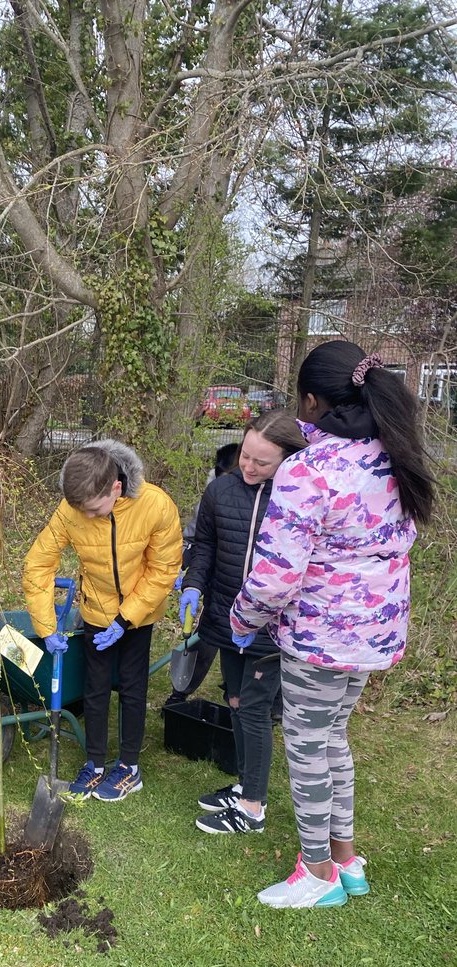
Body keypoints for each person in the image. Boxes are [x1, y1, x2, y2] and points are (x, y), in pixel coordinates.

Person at [231, 342, 434, 908]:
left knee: (306, 746)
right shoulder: (396, 455)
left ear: (313, 402)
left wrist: (241, 618)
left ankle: (316, 872)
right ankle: (346, 861)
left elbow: (274, 576)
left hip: (322, 639)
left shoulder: (310, 471)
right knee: (333, 739)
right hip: (373, 634)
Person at [23, 440, 181, 802]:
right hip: (95, 610)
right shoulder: (71, 509)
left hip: (138, 616)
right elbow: (38, 565)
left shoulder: (155, 505)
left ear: (116, 488)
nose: (89, 518)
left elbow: (163, 569)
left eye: (95, 510)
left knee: (131, 686)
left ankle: (129, 767)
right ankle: (94, 763)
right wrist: (47, 629)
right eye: (83, 512)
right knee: (94, 688)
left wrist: (127, 619)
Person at [179, 413, 307, 835]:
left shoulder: (298, 498)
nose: (249, 467)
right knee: (234, 702)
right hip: (223, 617)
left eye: (262, 462)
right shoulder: (220, 490)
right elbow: (205, 546)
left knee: (253, 709)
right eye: (245, 456)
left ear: (288, 461)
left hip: (270, 625)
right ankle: (244, 784)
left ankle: (252, 808)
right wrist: (194, 586)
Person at [165, 441, 240, 706]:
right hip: (216, 584)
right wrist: (182, 567)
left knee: (247, 648)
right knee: (207, 638)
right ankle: (180, 692)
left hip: (252, 588)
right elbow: (194, 537)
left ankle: (246, 696)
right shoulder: (213, 495)